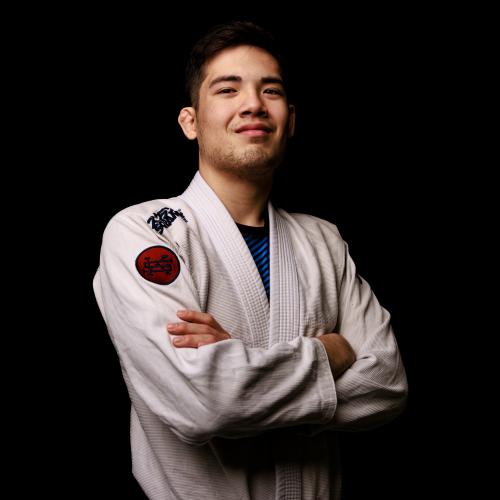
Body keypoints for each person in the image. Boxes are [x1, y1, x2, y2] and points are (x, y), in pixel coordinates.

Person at [93, 21, 408, 500]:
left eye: (271, 90)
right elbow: (203, 402)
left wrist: (244, 369)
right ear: (190, 122)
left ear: (291, 120)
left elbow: (387, 384)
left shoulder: (323, 240)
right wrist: (329, 352)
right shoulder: (143, 232)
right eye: (227, 89)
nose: (253, 104)